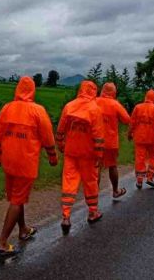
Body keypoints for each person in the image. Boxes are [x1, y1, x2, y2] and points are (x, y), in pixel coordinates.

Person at [0, 77, 58, 258]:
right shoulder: (37, 111)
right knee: (17, 200)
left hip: (9, 160)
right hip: (25, 162)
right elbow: (47, 137)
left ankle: (23, 229)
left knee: (16, 197)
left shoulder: (7, 108)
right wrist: (53, 157)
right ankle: (2, 243)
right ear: (32, 91)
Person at [56, 80, 105, 234]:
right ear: (93, 91)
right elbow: (98, 136)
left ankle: (66, 216)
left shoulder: (69, 106)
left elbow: (60, 129)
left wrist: (61, 145)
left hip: (71, 151)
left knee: (69, 182)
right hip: (88, 154)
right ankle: (92, 212)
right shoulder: (95, 109)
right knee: (90, 182)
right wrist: (99, 155)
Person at [96, 82, 130, 198]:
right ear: (114, 92)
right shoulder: (115, 104)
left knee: (96, 167)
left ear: (103, 90)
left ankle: (93, 195)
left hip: (95, 141)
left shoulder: (94, 102)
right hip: (111, 142)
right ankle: (115, 191)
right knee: (112, 166)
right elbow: (126, 119)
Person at [128, 89, 154, 189]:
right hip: (153, 140)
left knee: (140, 159)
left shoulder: (138, 107)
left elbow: (132, 122)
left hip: (139, 138)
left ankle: (139, 181)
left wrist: (129, 134)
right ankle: (150, 177)